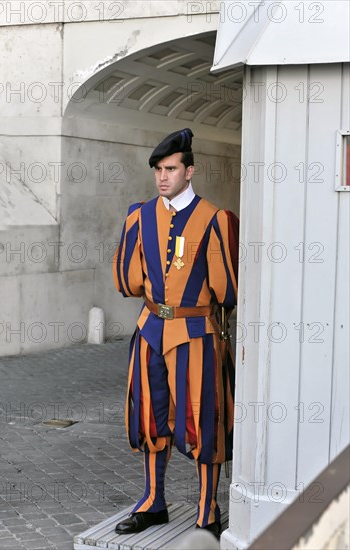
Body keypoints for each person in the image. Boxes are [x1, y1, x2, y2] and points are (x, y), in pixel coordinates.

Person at [113, 128, 238, 539]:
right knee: (149, 417)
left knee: (205, 419)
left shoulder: (215, 219)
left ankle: (208, 507)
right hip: (150, 329)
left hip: (197, 332)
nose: (163, 177)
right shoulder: (140, 216)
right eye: (158, 170)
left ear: (190, 171)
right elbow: (128, 282)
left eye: (170, 169)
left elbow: (227, 291)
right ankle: (153, 502)